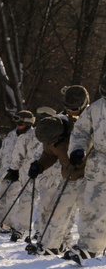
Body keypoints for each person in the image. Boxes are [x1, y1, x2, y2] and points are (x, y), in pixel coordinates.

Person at [26, 86, 89, 255]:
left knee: (90, 212)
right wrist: (39, 165)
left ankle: (91, 248)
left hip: (92, 176)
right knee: (59, 210)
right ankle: (52, 245)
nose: (52, 144)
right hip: (71, 176)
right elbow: (49, 154)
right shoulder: (53, 130)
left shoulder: (87, 123)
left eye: (75, 107)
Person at [66, 80, 106, 260]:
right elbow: (81, 131)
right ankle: (88, 247)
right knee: (92, 205)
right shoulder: (96, 108)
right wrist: (77, 150)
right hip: (99, 162)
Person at [0, 110, 40, 240]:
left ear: (28, 123)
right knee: (1, 197)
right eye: (16, 122)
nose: (18, 125)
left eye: (21, 123)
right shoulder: (11, 135)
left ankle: (19, 227)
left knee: (15, 199)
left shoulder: (34, 137)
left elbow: (33, 156)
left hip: (23, 174)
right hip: (6, 172)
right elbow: (3, 151)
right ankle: (3, 223)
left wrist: (18, 169)